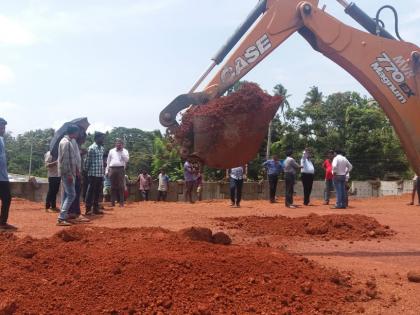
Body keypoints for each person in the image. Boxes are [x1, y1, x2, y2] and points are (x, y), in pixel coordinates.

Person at [57, 125, 80, 226]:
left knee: (67, 194)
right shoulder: (66, 143)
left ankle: (64, 215)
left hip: (69, 172)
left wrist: (76, 171)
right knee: (71, 195)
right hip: (67, 173)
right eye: (77, 132)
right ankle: (61, 218)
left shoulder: (67, 141)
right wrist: (69, 174)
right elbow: (65, 161)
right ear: (73, 132)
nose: (78, 134)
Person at [0, 118, 16, 231]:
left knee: (6, 198)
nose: (4, 129)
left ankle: (2, 222)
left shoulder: (1, 139)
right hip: (1, 177)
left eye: (4, 127)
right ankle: (2, 223)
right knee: (6, 198)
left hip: (3, 176)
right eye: (2, 127)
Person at [84, 132, 105, 215]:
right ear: (96, 138)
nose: (103, 140)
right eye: (102, 138)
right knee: (90, 191)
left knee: (97, 192)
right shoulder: (91, 148)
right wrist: (85, 171)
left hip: (100, 173)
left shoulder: (102, 148)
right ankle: (88, 209)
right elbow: (87, 161)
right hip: (92, 173)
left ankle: (95, 208)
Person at [106, 139, 130, 207]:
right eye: (117, 143)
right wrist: (107, 170)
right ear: (115, 144)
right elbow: (108, 161)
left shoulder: (125, 151)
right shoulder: (111, 151)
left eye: (120, 144)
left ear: (122, 145)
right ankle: (112, 203)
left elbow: (127, 160)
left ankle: (121, 203)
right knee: (112, 186)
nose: (118, 145)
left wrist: (121, 151)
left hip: (121, 169)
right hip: (112, 169)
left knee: (121, 186)